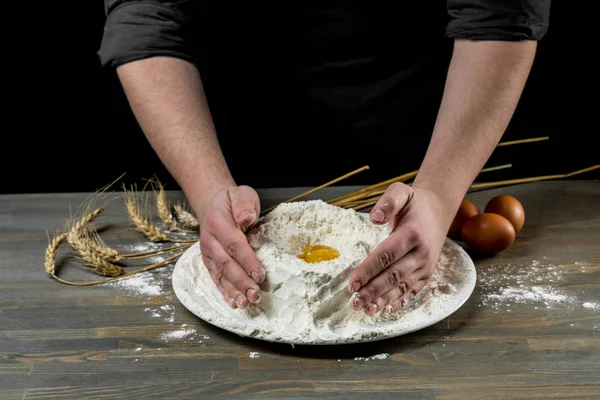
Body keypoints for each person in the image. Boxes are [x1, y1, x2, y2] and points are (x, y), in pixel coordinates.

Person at [98, 2, 551, 315]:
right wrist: (211, 190)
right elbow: (148, 18)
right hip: (228, 134)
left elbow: (499, 14)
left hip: (422, 141)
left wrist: (437, 192)